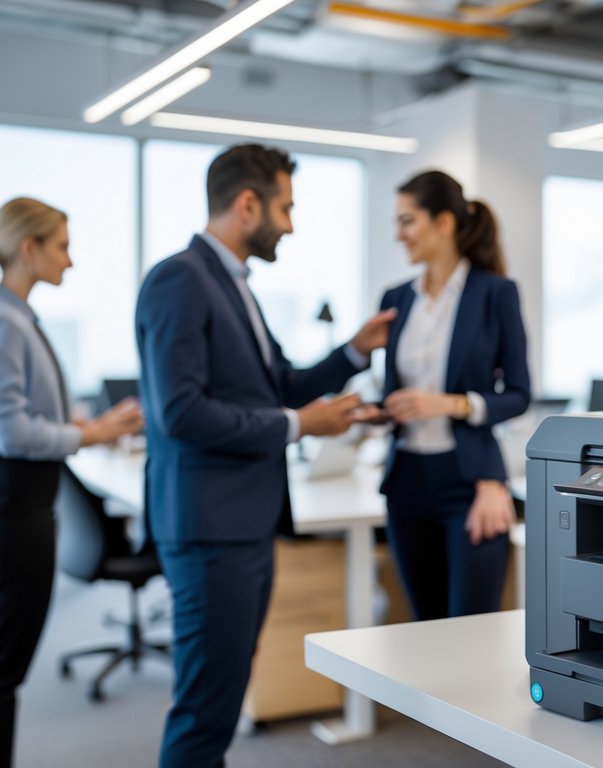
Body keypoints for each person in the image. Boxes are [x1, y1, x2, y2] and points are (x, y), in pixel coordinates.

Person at [134, 144, 395, 767]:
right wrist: (299, 425)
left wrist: (354, 352)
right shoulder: (180, 280)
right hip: (209, 530)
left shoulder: (232, 284)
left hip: (242, 525)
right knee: (204, 711)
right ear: (248, 204)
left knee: (219, 700)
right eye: (286, 208)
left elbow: (276, 383)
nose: (291, 225)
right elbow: (181, 413)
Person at [0, 197, 143, 768]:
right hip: (10, 502)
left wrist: (84, 425)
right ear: (29, 248)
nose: (71, 259)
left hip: (18, 498)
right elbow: (11, 433)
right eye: (62, 246)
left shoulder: (14, 320)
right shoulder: (3, 325)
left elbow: (18, 421)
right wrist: (92, 433)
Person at [365, 169, 530, 620]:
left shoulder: (495, 293)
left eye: (407, 221)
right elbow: (392, 389)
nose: (399, 234)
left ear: (444, 223)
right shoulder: (395, 299)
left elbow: (519, 394)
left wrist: (452, 403)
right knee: (424, 625)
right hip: (406, 481)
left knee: (469, 628)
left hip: (469, 482)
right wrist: (374, 412)